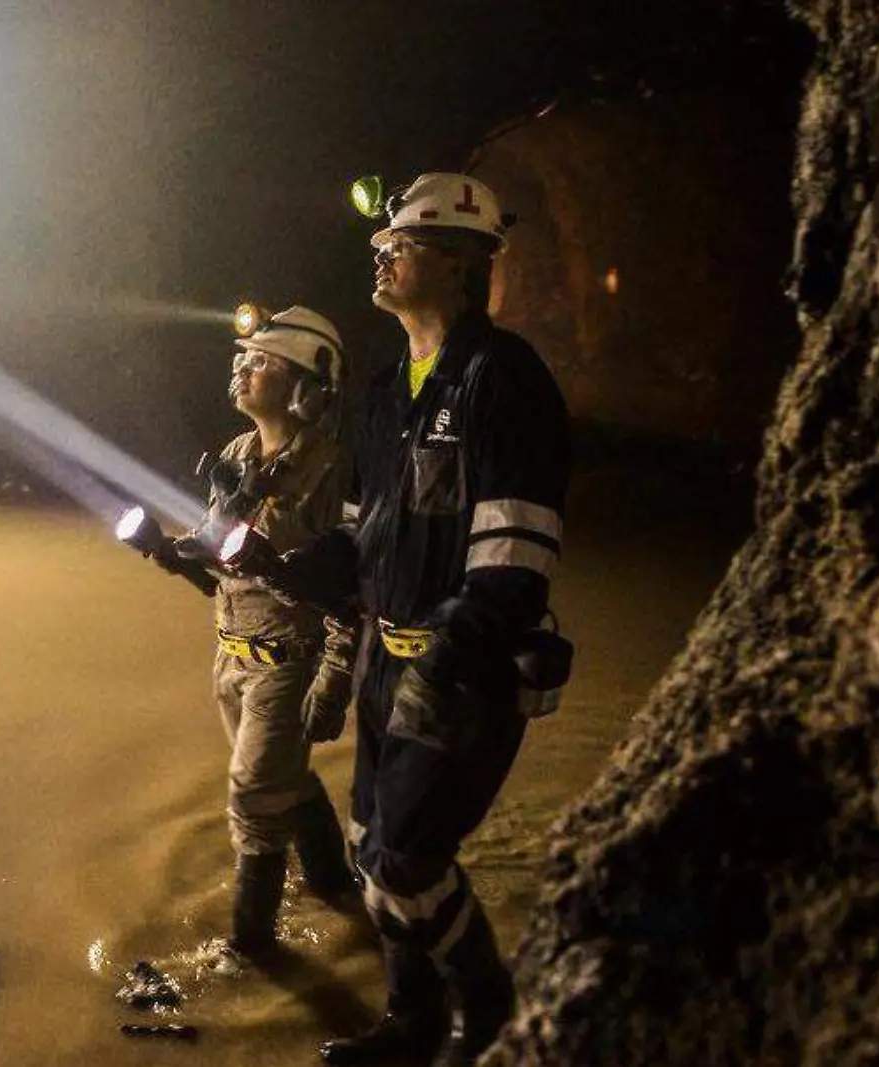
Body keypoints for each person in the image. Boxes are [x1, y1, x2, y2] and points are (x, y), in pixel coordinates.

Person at [310, 174, 572, 1066]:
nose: (381, 256)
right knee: (368, 849)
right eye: (382, 244)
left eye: (404, 245)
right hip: (389, 663)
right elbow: (363, 535)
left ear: (461, 265)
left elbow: (516, 557)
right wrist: (298, 568)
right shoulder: (386, 393)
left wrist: (446, 661)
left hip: (465, 671)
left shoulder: (505, 379)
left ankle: (489, 1018)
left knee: (410, 863)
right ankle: (410, 1022)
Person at [180, 305, 362, 958]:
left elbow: (350, 585)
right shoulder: (235, 453)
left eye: (261, 362)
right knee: (282, 776)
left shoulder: (333, 468)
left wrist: (335, 680)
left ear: (306, 388)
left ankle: (251, 948)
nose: (243, 369)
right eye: (244, 359)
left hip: (291, 659)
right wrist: (172, 550)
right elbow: (216, 544)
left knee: (254, 794)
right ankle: (333, 879)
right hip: (231, 655)